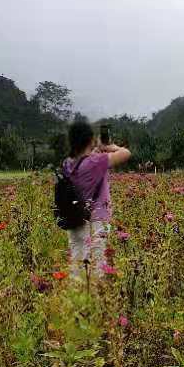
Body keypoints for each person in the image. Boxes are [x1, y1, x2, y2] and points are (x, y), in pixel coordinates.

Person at [63, 120, 131, 280]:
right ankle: (95, 297)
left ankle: (78, 296)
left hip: (74, 217)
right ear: (90, 139)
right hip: (97, 219)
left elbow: (84, 160)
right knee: (97, 262)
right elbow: (126, 153)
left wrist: (95, 149)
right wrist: (108, 147)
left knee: (77, 260)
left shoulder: (67, 163)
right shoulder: (96, 162)